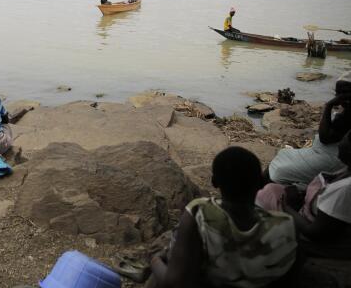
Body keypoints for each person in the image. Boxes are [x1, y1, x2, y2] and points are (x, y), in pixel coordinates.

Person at [150, 146, 297, 288]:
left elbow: (174, 283)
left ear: (214, 182)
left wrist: (154, 259)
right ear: (260, 183)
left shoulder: (199, 212)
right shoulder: (286, 225)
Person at [257, 131, 351, 259]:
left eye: (347, 138)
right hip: (313, 213)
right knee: (273, 189)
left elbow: (314, 232)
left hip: (317, 241)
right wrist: (303, 192)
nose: (342, 140)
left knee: (265, 198)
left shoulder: (344, 190)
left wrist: (286, 208)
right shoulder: (346, 170)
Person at [266, 73, 351, 188]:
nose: (338, 97)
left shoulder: (348, 114)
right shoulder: (346, 111)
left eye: (343, 93)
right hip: (324, 154)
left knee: (278, 170)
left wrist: (328, 106)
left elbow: (325, 138)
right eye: (337, 93)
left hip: (331, 160)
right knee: (283, 155)